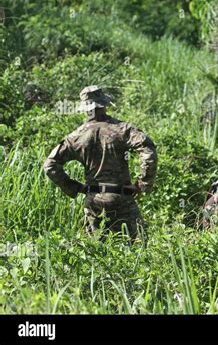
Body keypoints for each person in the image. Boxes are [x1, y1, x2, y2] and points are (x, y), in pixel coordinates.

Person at [43, 85, 157, 241]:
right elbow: (147, 150)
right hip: (122, 197)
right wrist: (142, 183)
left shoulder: (76, 136)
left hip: (94, 201)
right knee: (139, 248)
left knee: (96, 254)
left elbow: (50, 166)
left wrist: (75, 188)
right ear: (104, 104)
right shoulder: (122, 130)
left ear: (85, 109)